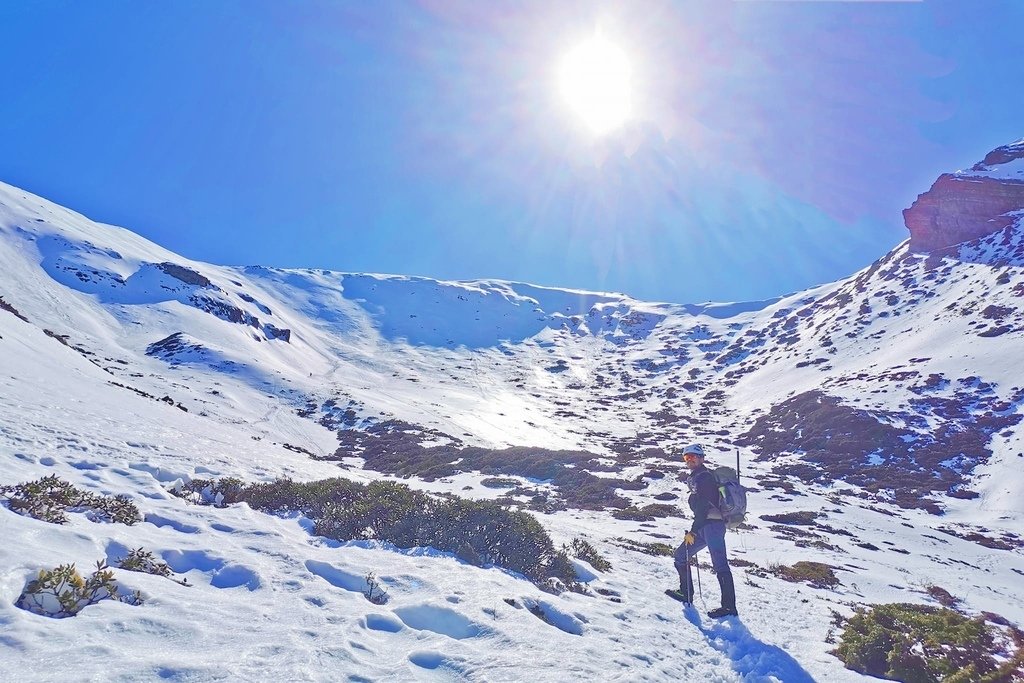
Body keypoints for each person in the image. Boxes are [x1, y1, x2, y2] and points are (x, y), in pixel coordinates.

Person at [670, 443, 738, 618]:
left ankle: (729, 608)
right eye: (687, 458)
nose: (689, 460)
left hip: (712, 527)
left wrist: (693, 531)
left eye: (693, 457)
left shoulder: (704, 478)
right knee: (681, 556)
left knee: (720, 565)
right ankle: (686, 593)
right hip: (705, 527)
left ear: (701, 458)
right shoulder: (698, 477)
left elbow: (702, 507)